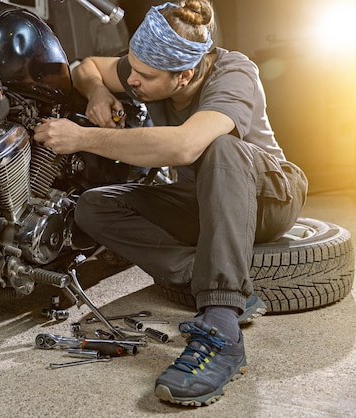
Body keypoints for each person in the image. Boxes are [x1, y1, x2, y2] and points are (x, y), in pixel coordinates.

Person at [33, 0, 308, 407]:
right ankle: (216, 277)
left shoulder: (234, 73)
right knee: (92, 206)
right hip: (201, 199)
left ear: (185, 76)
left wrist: (82, 137)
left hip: (269, 196)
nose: (132, 82)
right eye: (130, 68)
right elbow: (86, 65)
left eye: (145, 76)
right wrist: (95, 92)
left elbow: (185, 146)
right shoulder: (145, 66)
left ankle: (222, 328)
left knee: (220, 148)